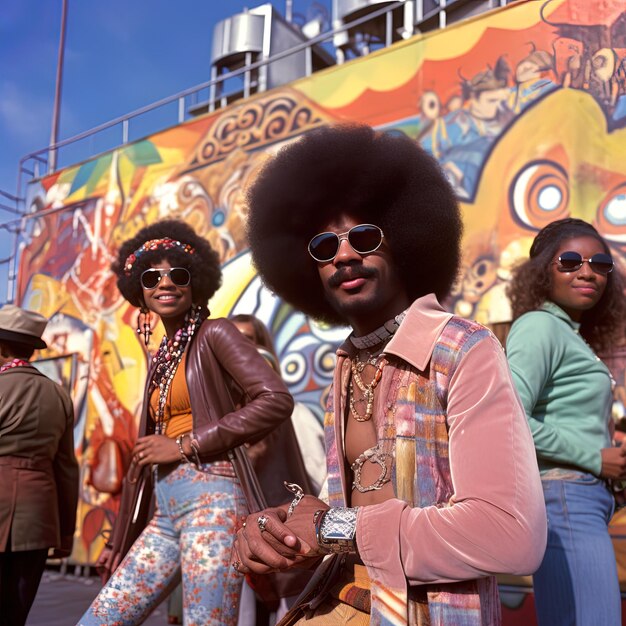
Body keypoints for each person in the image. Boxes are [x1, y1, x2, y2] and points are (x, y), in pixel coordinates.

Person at [232, 124, 547, 625]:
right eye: (322, 247)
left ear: (405, 239)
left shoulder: (463, 348)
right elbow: (347, 513)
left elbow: (510, 535)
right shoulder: (345, 365)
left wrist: (333, 527)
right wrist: (285, 529)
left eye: (363, 236)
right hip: (342, 600)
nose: (343, 254)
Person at [78, 219, 294, 625]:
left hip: (211, 498)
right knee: (100, 618)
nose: (166, 283)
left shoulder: (217, 334)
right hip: (166, 505)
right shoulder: (164, 356)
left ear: (194, 281)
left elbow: (275, 399)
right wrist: (120, 538)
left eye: (178, 274)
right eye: (151, 277)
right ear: (139, 291)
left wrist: (183, 445)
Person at [505, 217, 626, 626]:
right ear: (543, 272)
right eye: (570, 261)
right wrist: (595, 457)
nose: (588, 271)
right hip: (565, 499)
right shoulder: (539, 326)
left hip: (579, 501)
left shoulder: (569, 334)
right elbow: (509, 419)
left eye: (601, 264)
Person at [0, 304, 78, 626]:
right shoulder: (58, 394)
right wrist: (65, 534)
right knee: (15, 614)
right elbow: (67, 470)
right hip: (39, 517)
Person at [230, 313, 327, 495]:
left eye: (246, 339)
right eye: (230, 339)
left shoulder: (294, 415)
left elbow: (320, 478)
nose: (237, 347)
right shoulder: (218, 415)